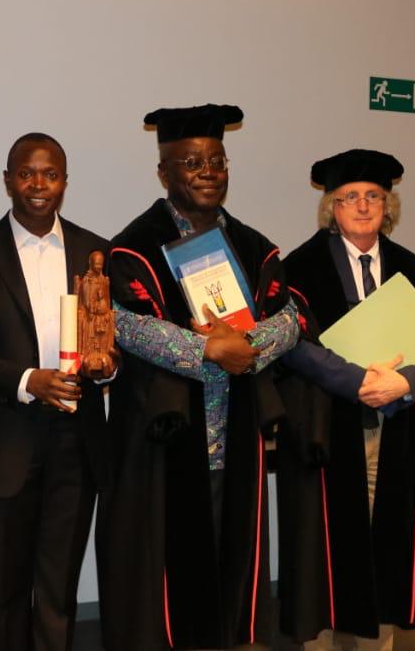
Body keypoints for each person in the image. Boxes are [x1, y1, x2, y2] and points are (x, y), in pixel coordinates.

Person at [99, 103, 302, 650]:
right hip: (163, 436)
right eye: (191, 162)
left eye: (217, 161)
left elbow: (290, 320)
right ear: (163, 172)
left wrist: (244, 347)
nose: (208, 172)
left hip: (236, 431)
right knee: (163, 573)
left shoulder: (255, 246)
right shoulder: (133, 246)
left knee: (230, 559)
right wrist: (207, 349)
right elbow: (125, 324)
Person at [275, 149, 415, 649]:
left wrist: (406, 383)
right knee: (321, 545)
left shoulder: (411, 270)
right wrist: (357, 381)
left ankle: (378, 643)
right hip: (325, 426)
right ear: (331, 207)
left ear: (388, 206)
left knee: (386, 542)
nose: (363, 205)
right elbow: (294, 345)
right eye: (350, 196)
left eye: (373, 195)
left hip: (395, 424)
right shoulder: (298, 270)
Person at [0, 132, 115, 651]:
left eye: (50, 174)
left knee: (58, 588)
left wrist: (107, 367)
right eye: (26, 174)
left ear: (65, 181)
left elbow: (111, 338)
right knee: (4, 591)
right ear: (8, 181)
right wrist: (27, 381)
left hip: (77, 438)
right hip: (8, 438)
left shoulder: (96, 252)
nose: (38, 185)